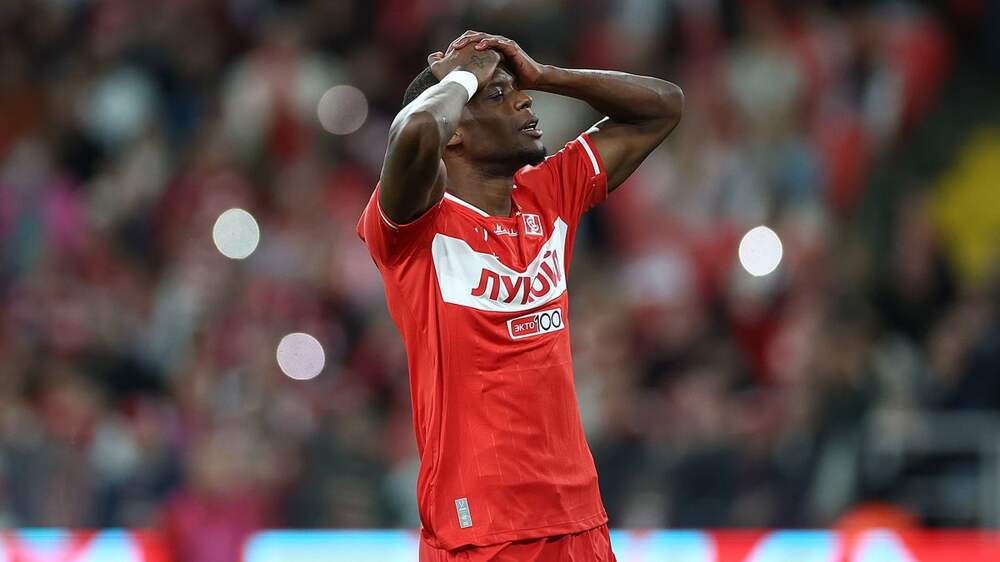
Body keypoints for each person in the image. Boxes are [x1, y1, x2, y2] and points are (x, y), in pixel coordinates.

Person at [356, 30, 683, 561]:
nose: (524, 101)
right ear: (454, 134)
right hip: (481, 530)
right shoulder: (415, 230)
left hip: (580, 519)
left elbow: (663, 107)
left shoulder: (548, 195)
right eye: (497, 95)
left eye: (516, 91)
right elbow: (415, 131)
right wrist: (463, 76)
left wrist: (545, 74)